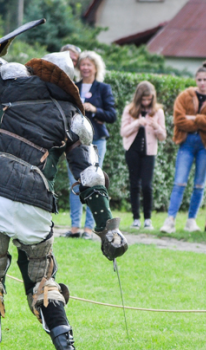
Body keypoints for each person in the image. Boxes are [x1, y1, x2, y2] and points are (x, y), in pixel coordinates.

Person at [0, 51, 128, 350]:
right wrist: (107, 230)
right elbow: (91, 178)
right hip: (36, 203)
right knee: (42, 282)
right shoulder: (74, 118)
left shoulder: (11, 84)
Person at [161, 60, 206, 234]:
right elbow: (179, 120)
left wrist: (194, 118)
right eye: (199, 79)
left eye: (205, 79)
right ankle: (170, 219)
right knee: (179, 182)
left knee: (199, 184)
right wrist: (201, 122)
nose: (202, 82)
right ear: (195, 80)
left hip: (205, 144)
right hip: (186, 142)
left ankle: (191, 220)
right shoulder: (184, 96)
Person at [64, 50, 116, 239]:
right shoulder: (73, 87)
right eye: (83, 64)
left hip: (97, 140)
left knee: (93, 181)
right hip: (75, 142)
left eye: (89, 65)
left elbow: (112, 115)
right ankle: (74, 227)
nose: (85, 68)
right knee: (75, 182)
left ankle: (89, 228)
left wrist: (94, 110)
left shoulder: (103, 88)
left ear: (95, 68)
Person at [120, 81, 166, 230]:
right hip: (132, 150)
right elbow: (123, 132)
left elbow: (163, 136)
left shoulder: (158, 112)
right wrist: (137, 123)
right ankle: (135, 218)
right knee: (134, 185)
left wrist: (156, 126)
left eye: (149, 99)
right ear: (138, 98)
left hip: (149, 152)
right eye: (144, 99)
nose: (146, 102)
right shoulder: (130, 110)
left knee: (147, 185)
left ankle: (147, 219)